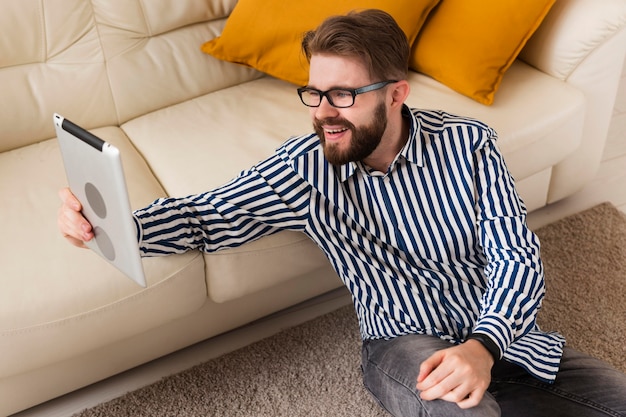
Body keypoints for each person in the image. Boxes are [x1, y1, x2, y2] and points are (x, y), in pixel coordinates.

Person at [58, 9, 626, 417]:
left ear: (397, 95)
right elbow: (208, 217)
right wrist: (111, 225)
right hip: (406, 344)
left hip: (504, 339)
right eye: (315, 93)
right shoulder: (305, 168)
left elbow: (516, 255)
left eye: (344, 95)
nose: (324, 113)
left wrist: (483, 347)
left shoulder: (469, 144)